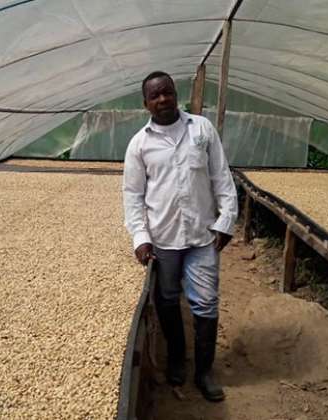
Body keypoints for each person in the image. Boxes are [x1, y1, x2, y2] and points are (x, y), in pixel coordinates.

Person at [122, 71, 238, 402]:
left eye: (167, 93)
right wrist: (140, 237)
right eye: (155, 96)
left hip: (202, 236)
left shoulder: (201, 129)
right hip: (163, 238)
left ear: (176, 94)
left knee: (205, 303)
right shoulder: (140, 144)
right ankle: (177, 359)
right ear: (145, 103)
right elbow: (133, 195)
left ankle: (204, 371)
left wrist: (226, 220)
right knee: (167, 299)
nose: (162, 100)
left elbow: (221, 176)